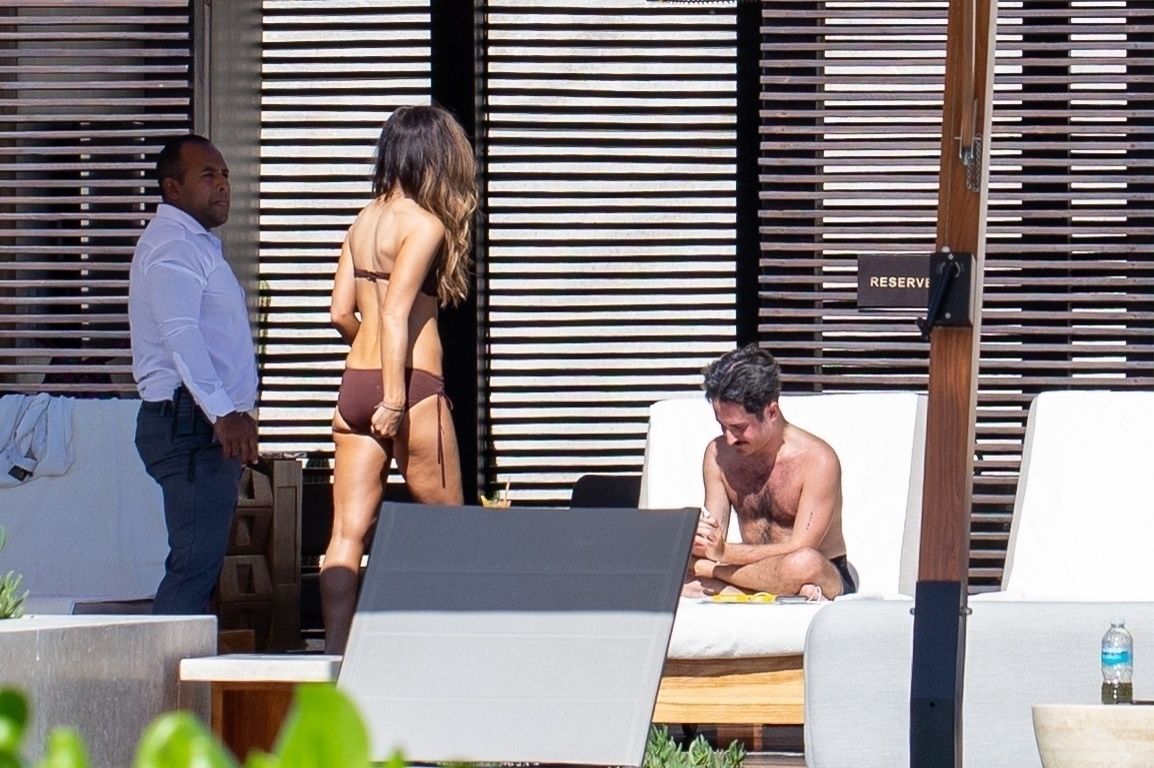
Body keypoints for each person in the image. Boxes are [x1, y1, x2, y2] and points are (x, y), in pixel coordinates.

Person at [321, 105, 478, 653]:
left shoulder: (361, 221)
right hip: (410, 387)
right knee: (451, 531)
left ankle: (336, 657)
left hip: (354, 383)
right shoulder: (424, 224)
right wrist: (392, 395)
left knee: (346, 535)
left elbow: (340, 312)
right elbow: (395, 313)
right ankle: (453, 650)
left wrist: (368, 370)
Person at [130, 134, 260, 615]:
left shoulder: (196, 244)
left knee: (199, 567)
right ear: (173, 188)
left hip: (200, 427)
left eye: (224, 174)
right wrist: (224, 413)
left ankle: (181, 661)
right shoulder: (174, 246)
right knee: (192, 569)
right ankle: (168, 666)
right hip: (190, 426)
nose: (222, 184)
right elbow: (180, 334)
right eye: (208, 175)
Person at [684, 344, 857, 600]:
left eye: (739, 428)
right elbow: (712, 539)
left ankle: (737, 587)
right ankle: (772, 592)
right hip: (749, 568)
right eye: (722, 426)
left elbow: (801, 546)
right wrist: (700, 541)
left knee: (805, 563)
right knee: (674, 566)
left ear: (772, 412)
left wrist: (719, 558)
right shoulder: (718, 454)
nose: (729, 439)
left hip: (812, 568)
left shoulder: (817, 460)